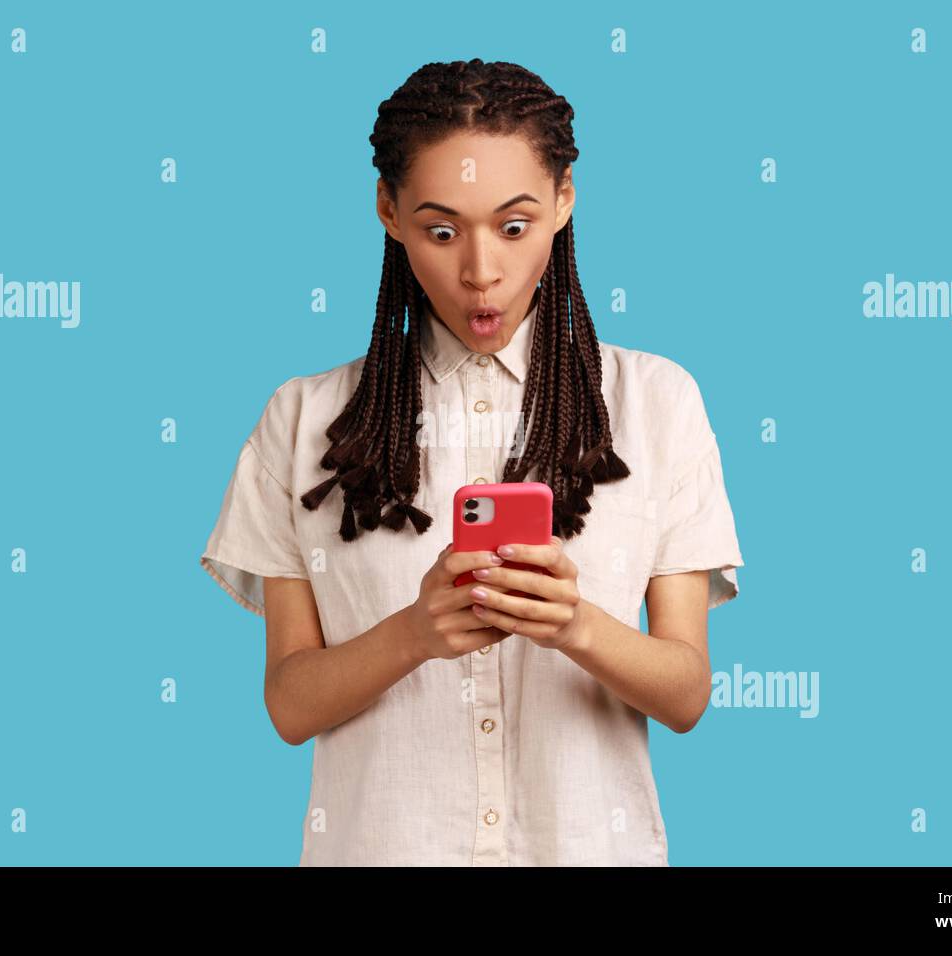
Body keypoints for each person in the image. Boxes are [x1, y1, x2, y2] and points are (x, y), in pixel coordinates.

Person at [199, 58, 744, 866]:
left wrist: (577, 626)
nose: (481, 271)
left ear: (564, 200)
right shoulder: (302, 420)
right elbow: (288, 702)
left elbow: (687, 692)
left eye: (514, 225)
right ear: (388, 211)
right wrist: (414, 634)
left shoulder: (658, 402)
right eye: (442, 229)